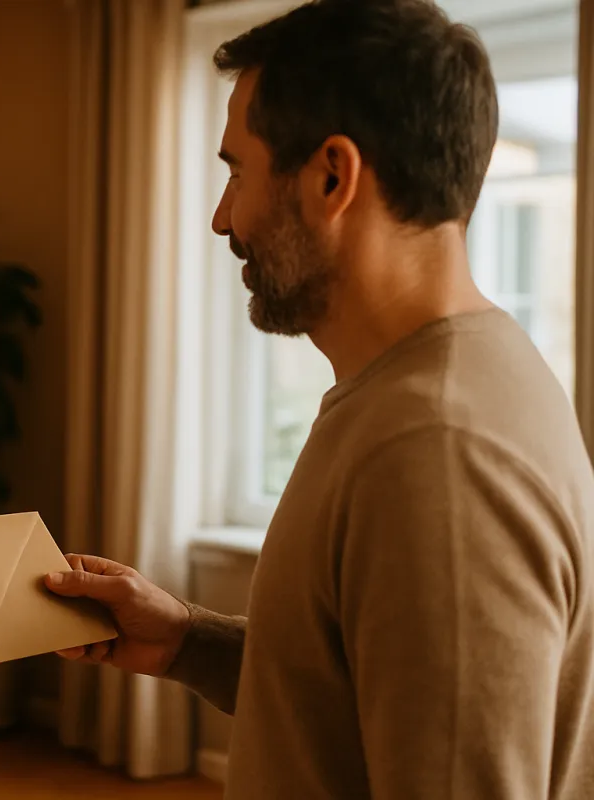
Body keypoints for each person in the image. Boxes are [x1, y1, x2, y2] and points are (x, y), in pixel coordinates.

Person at [46, 1, 594, 798]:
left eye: (237, 170)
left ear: (332, 176)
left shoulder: (436, 450)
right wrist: (186, 643)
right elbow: (363, 695)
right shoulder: (417, 389)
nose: (221, 217)